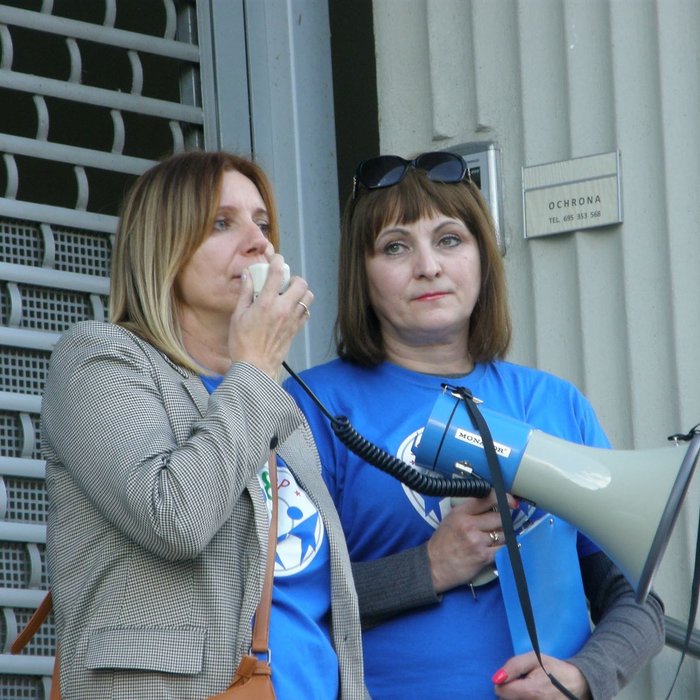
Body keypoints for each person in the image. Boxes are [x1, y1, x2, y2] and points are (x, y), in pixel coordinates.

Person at [284, 151, 665, 699]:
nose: (428, 266)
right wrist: (430, 567)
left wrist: (583, 677)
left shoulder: (553, 404)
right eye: (395, 246)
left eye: (449, 239)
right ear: (360, 275)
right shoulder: (311, 404)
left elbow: (636, 593)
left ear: (483, 257)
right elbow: (276, 599)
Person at [41, 150, 367, 699]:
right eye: (223, 223)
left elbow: (321, 611)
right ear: (162, 248)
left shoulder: (275, 405)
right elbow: (176, 519)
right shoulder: (98, 360)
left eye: (262, 224)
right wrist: (257, 370)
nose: (258, 241)